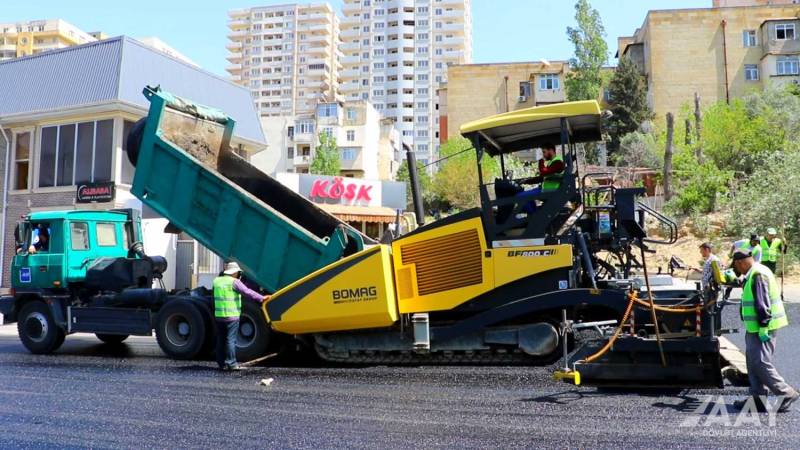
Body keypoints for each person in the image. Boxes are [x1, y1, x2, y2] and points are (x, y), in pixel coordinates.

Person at [730, 250, 798, 413]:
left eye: (737, 267)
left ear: (740, 263)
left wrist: (763, 326)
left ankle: (785, 392)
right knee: (752, 362)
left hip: (763, 327)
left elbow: (763, 303)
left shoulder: (758, 275)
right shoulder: (756, 271)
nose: (738, 270)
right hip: (755, 327)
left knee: (760, 362)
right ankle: (757, 400)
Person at [213, 261, 270, 371]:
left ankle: (221, 363)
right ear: (234, 272)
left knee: (220, 339)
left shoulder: (217, 281)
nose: (239, 274)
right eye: (238, 272)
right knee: (230, 340)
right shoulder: (234, 282)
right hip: (231, 316)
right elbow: (247, 292)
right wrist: (262, 298)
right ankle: (231, 363)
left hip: (219, 315)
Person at [514, 142, 565, 212]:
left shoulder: (558, 163)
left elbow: (543, 172)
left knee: (520, 196)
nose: (543, 155)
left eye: (544, 152)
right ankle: (533, 213)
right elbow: (541, 178)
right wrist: (525, 181)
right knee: (520, 195)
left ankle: (533, 215)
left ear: (551, 150)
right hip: (544, 190)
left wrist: (541, 160)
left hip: (549, 192)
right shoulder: (552, 163)